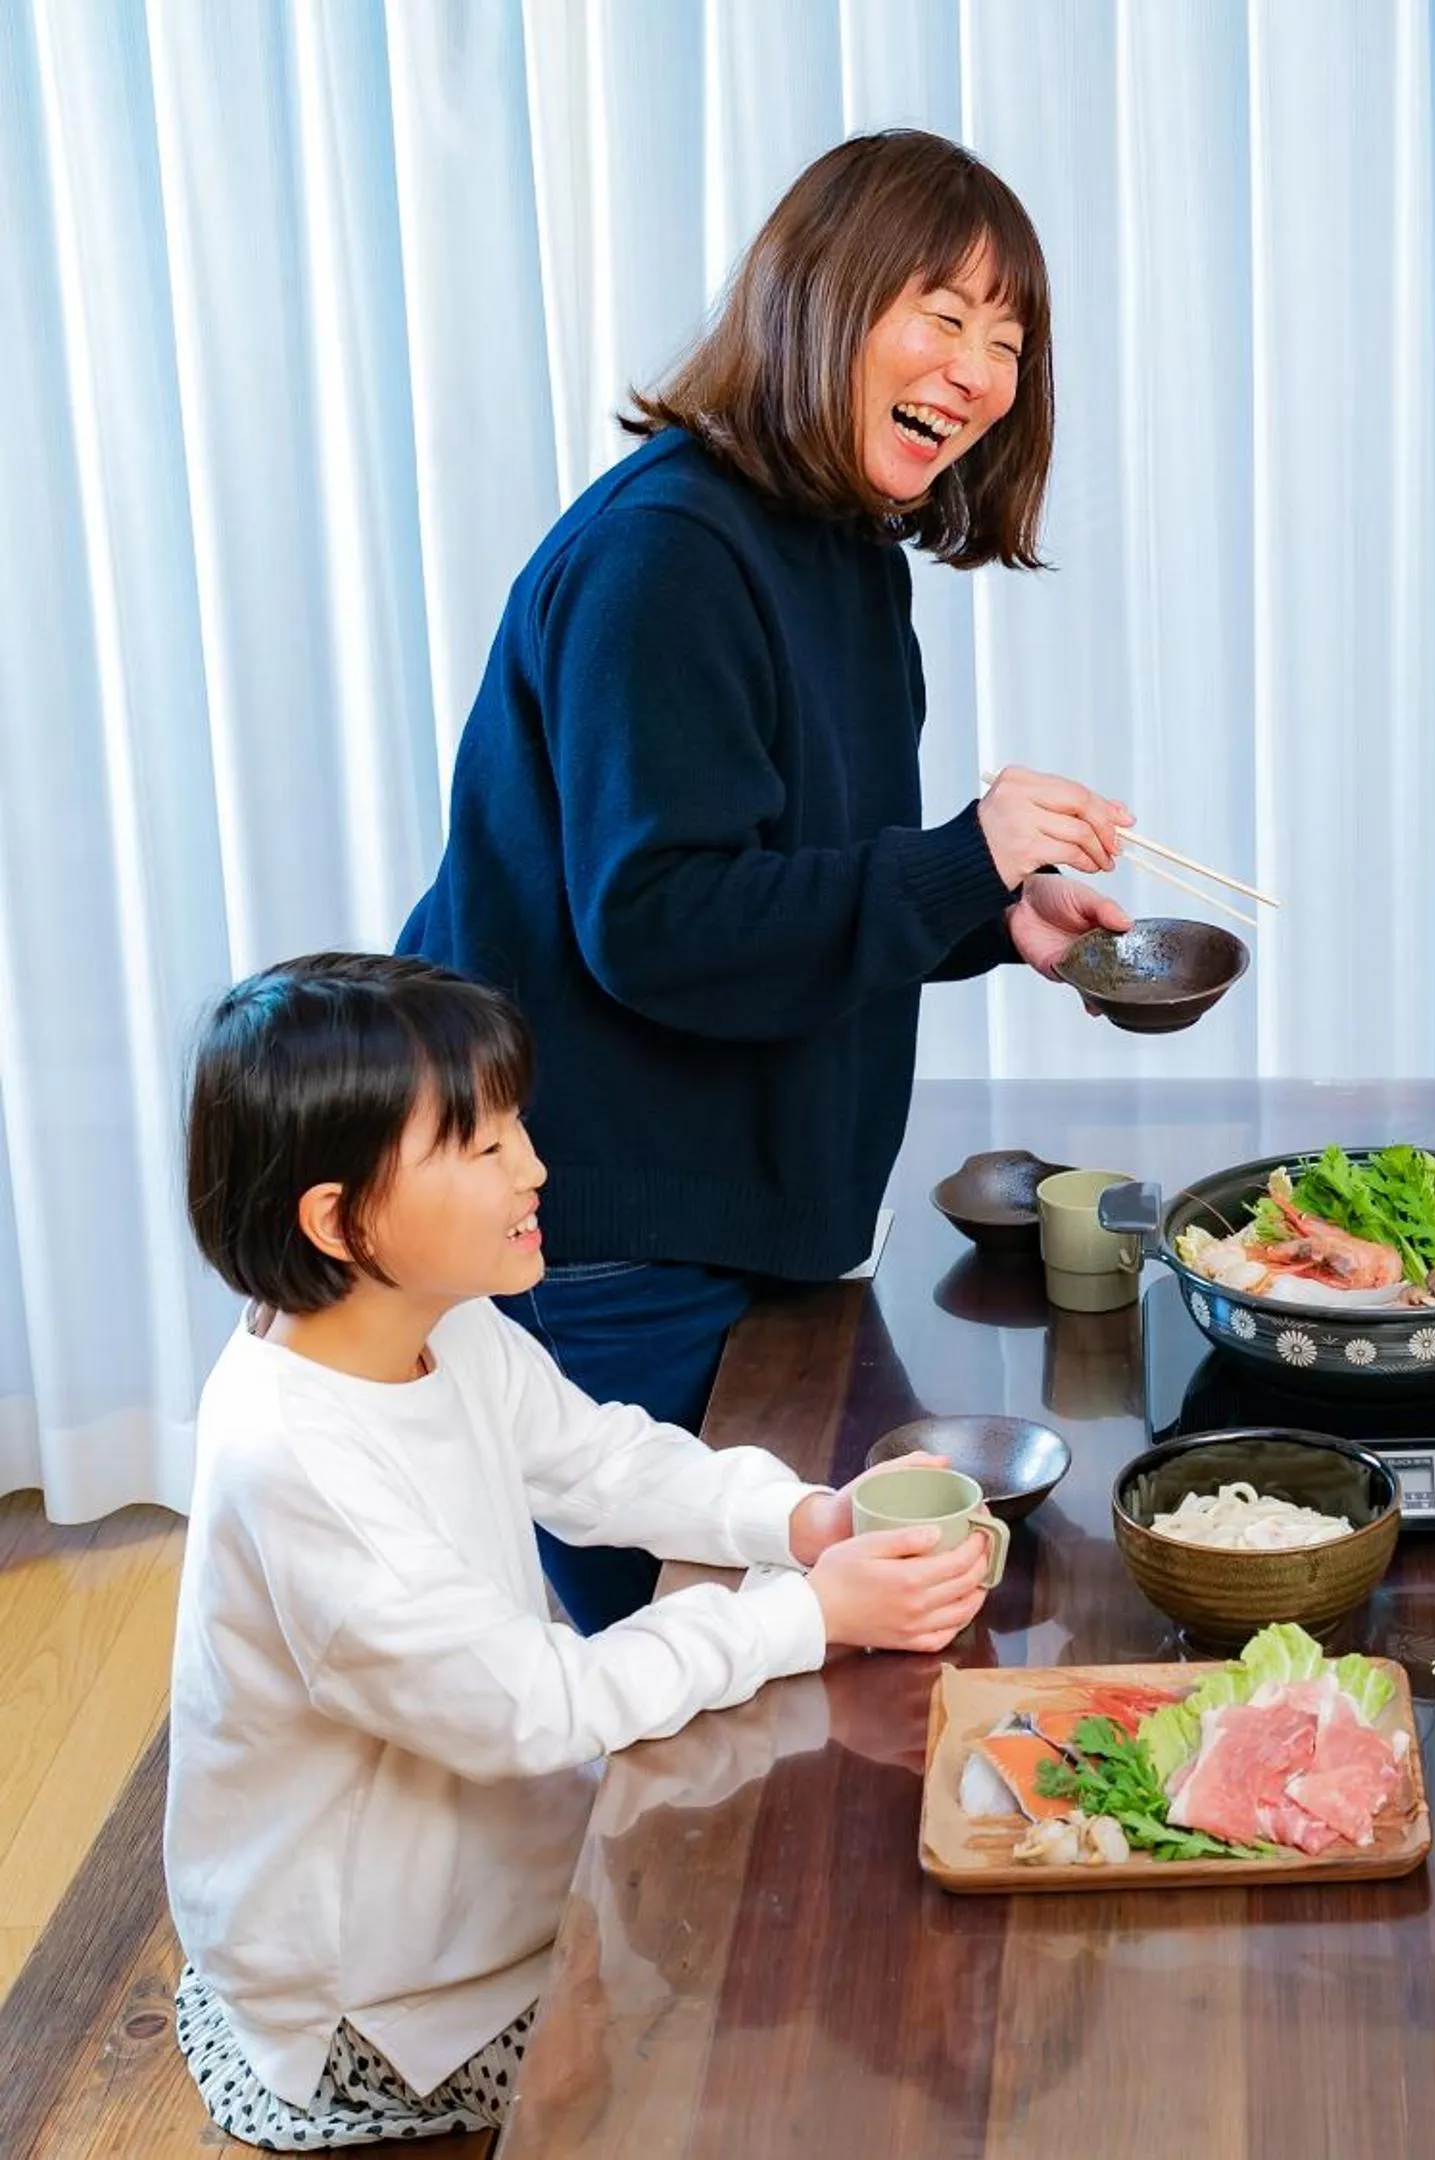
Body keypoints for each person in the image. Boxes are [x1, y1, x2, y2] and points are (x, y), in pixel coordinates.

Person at [398, 130, 1131, 1634]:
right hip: (615, 1228)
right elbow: (661, 926)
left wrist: (993, 915)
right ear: (825, 299)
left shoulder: (841, 550)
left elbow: (786, 884)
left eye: (1009, 339)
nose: (980, 371)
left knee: (794, 1680)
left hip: (752, 1211)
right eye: (946, 314)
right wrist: (958, 854)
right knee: (697, 1730)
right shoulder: (668, 551)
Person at [167, 954, 989, 2148]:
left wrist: (796, 1519)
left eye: (515, 1126)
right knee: (754, 2056)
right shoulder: (299, 1468)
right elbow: (531, 1708)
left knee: (805, 1919)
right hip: (385, 1991)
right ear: (339, 1218)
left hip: (490, 1868)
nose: (534, 1166)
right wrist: (806, 1615)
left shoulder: (431, 1319)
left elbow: (596, 1462)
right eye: (481, 1146)